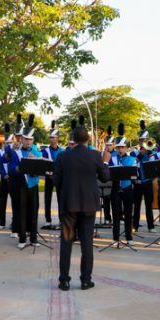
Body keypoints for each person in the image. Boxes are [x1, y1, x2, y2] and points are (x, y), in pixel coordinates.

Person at [54, 124, 110, 290]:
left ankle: (64, 280)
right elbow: (105, 178)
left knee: (66, 243)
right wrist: (105, 162)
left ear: (73, 139)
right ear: (87, 139)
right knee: (87, 244)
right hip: (88, 205)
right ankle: (86, 280)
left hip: (69, 205)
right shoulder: (95, 155)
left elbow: (56, 180)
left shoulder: (63, 157)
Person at [13, 118, 41, 249]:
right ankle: (22, 238)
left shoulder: (36, 152)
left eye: (30, 140)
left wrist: (36, 160)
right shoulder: (16, 153)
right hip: (21, 186)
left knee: (34, 212)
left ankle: (34, 239)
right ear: (22, 140)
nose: (28, 142)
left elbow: (43, 167)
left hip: (34, 185)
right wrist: (19, 168)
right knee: (22, 212)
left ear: (33, 140)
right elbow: (12, 168)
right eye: (26, 139)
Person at [108, 126, 136, 245]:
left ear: (126, 148)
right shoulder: (112, 158)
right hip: (115, 187)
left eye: (122, 147)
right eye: (118, 147)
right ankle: (115, 238)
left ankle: (129, 237)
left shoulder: (131, 159)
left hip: (127, 188)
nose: (120, 149)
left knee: (128, 212)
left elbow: (135, 174)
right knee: (115, 213)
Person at [133, 120, 155, 232]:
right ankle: (135, 226)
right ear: (139, 141)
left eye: (145, 140)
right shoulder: (134, 152)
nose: (144, 142)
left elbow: (154, 164)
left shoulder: (151, 153)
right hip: (137, 182)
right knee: (136, 206)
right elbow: (133, 164)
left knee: (148, 205)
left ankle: (151, 226)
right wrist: (140, 155)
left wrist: (150, 153)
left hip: (147, 181)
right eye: (142, 140)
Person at [41, 121, 63, 227]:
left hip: (58, 178)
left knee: (61, 199)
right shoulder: (45, 151)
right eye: (50, 137)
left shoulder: (62, 151)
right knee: (47, 198)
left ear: (57, 138)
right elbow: (44, 164)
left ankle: (61, 219)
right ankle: (48, 219)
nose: (52, 139)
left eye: (53, 137)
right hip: (48, 177)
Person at [0, 123, 12, 229]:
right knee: (2, 202)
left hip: (13, 180)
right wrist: (4, 175)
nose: (8, 144)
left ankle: (14, 222)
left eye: (10, 142)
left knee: (15, 202)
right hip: (4, 179)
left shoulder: (15, 152)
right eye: (7, 142)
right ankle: (2, 223)